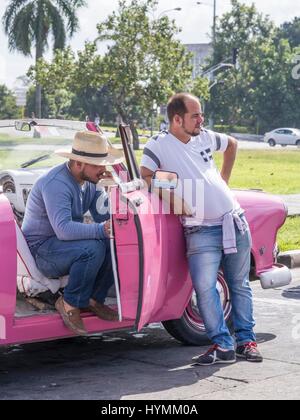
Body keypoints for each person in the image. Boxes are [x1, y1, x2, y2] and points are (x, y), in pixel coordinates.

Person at [140, 93, 263, 365]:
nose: (201, 119)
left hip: (234, 220)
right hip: (200, 230)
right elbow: (146, 176)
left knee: (239, 285)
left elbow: (232, 144)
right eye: (195, 115)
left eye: (201, 114)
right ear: (176, 119)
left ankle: (247, 341)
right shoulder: (159, 144)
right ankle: (223, 345)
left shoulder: (204, 136)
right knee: (205, 288)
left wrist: (223, 181)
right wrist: (173, 197)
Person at [22, 131, 125, 336]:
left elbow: (103, 214)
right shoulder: (57, 184)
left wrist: (112, 186)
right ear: (79, 163)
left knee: (112, 242)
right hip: (42, 250)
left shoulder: (90, 182)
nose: (102, 169)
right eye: (97, 165)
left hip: (61, 246)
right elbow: (64, 230)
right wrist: (101, 229)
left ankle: (93, 299)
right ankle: (69, 302)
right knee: (93, 247)